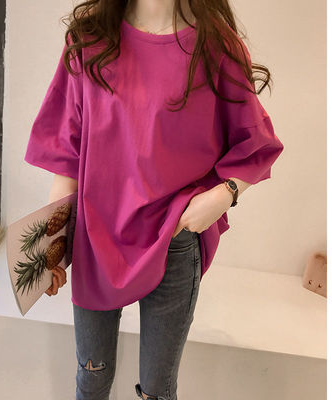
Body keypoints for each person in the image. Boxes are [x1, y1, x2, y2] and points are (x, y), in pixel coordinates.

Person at [23, 0, 284, 398]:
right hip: (95, 238)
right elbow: (66, 156)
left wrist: (224, 195)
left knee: (157, 391)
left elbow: (256, 142)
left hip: (174, 240)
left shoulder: (215, 46)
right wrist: (53, 247)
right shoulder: (88, 40)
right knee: (91, 378)